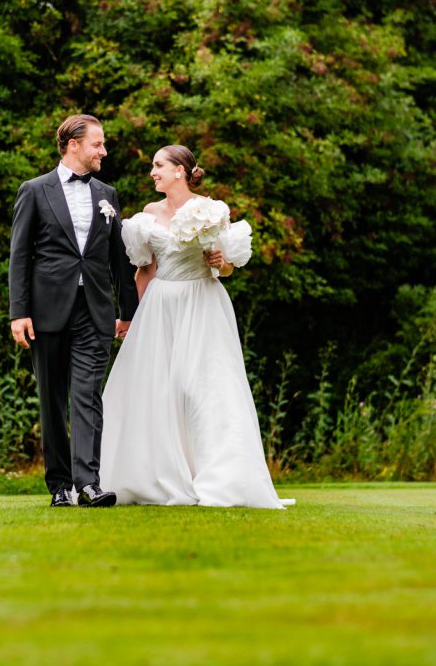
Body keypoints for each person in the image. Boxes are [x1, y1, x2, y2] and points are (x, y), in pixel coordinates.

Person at [99, 144, 294, 509]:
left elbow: (227, 265)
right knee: (160, 389)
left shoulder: (211, 210)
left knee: (205, 387)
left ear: (180, 170)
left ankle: (221, 478)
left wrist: (221, 260)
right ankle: (160, 475)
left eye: (159, 166)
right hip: (161, 306)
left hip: (203, 303)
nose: (152, 172)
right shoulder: (147, 215)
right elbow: (144, 269)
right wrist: (130, 317)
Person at [9, 114, 139, 508]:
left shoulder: (107, 194)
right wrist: (19, 311)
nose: (104, 150)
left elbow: (119, 258)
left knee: (87, 396)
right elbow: (19, 255)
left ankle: (89, 483)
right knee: (52, 398)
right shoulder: (34, 191)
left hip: (95, 310)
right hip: (46, 311)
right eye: (98, 144)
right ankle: (60, 487)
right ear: (73, 145)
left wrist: (128, 311)